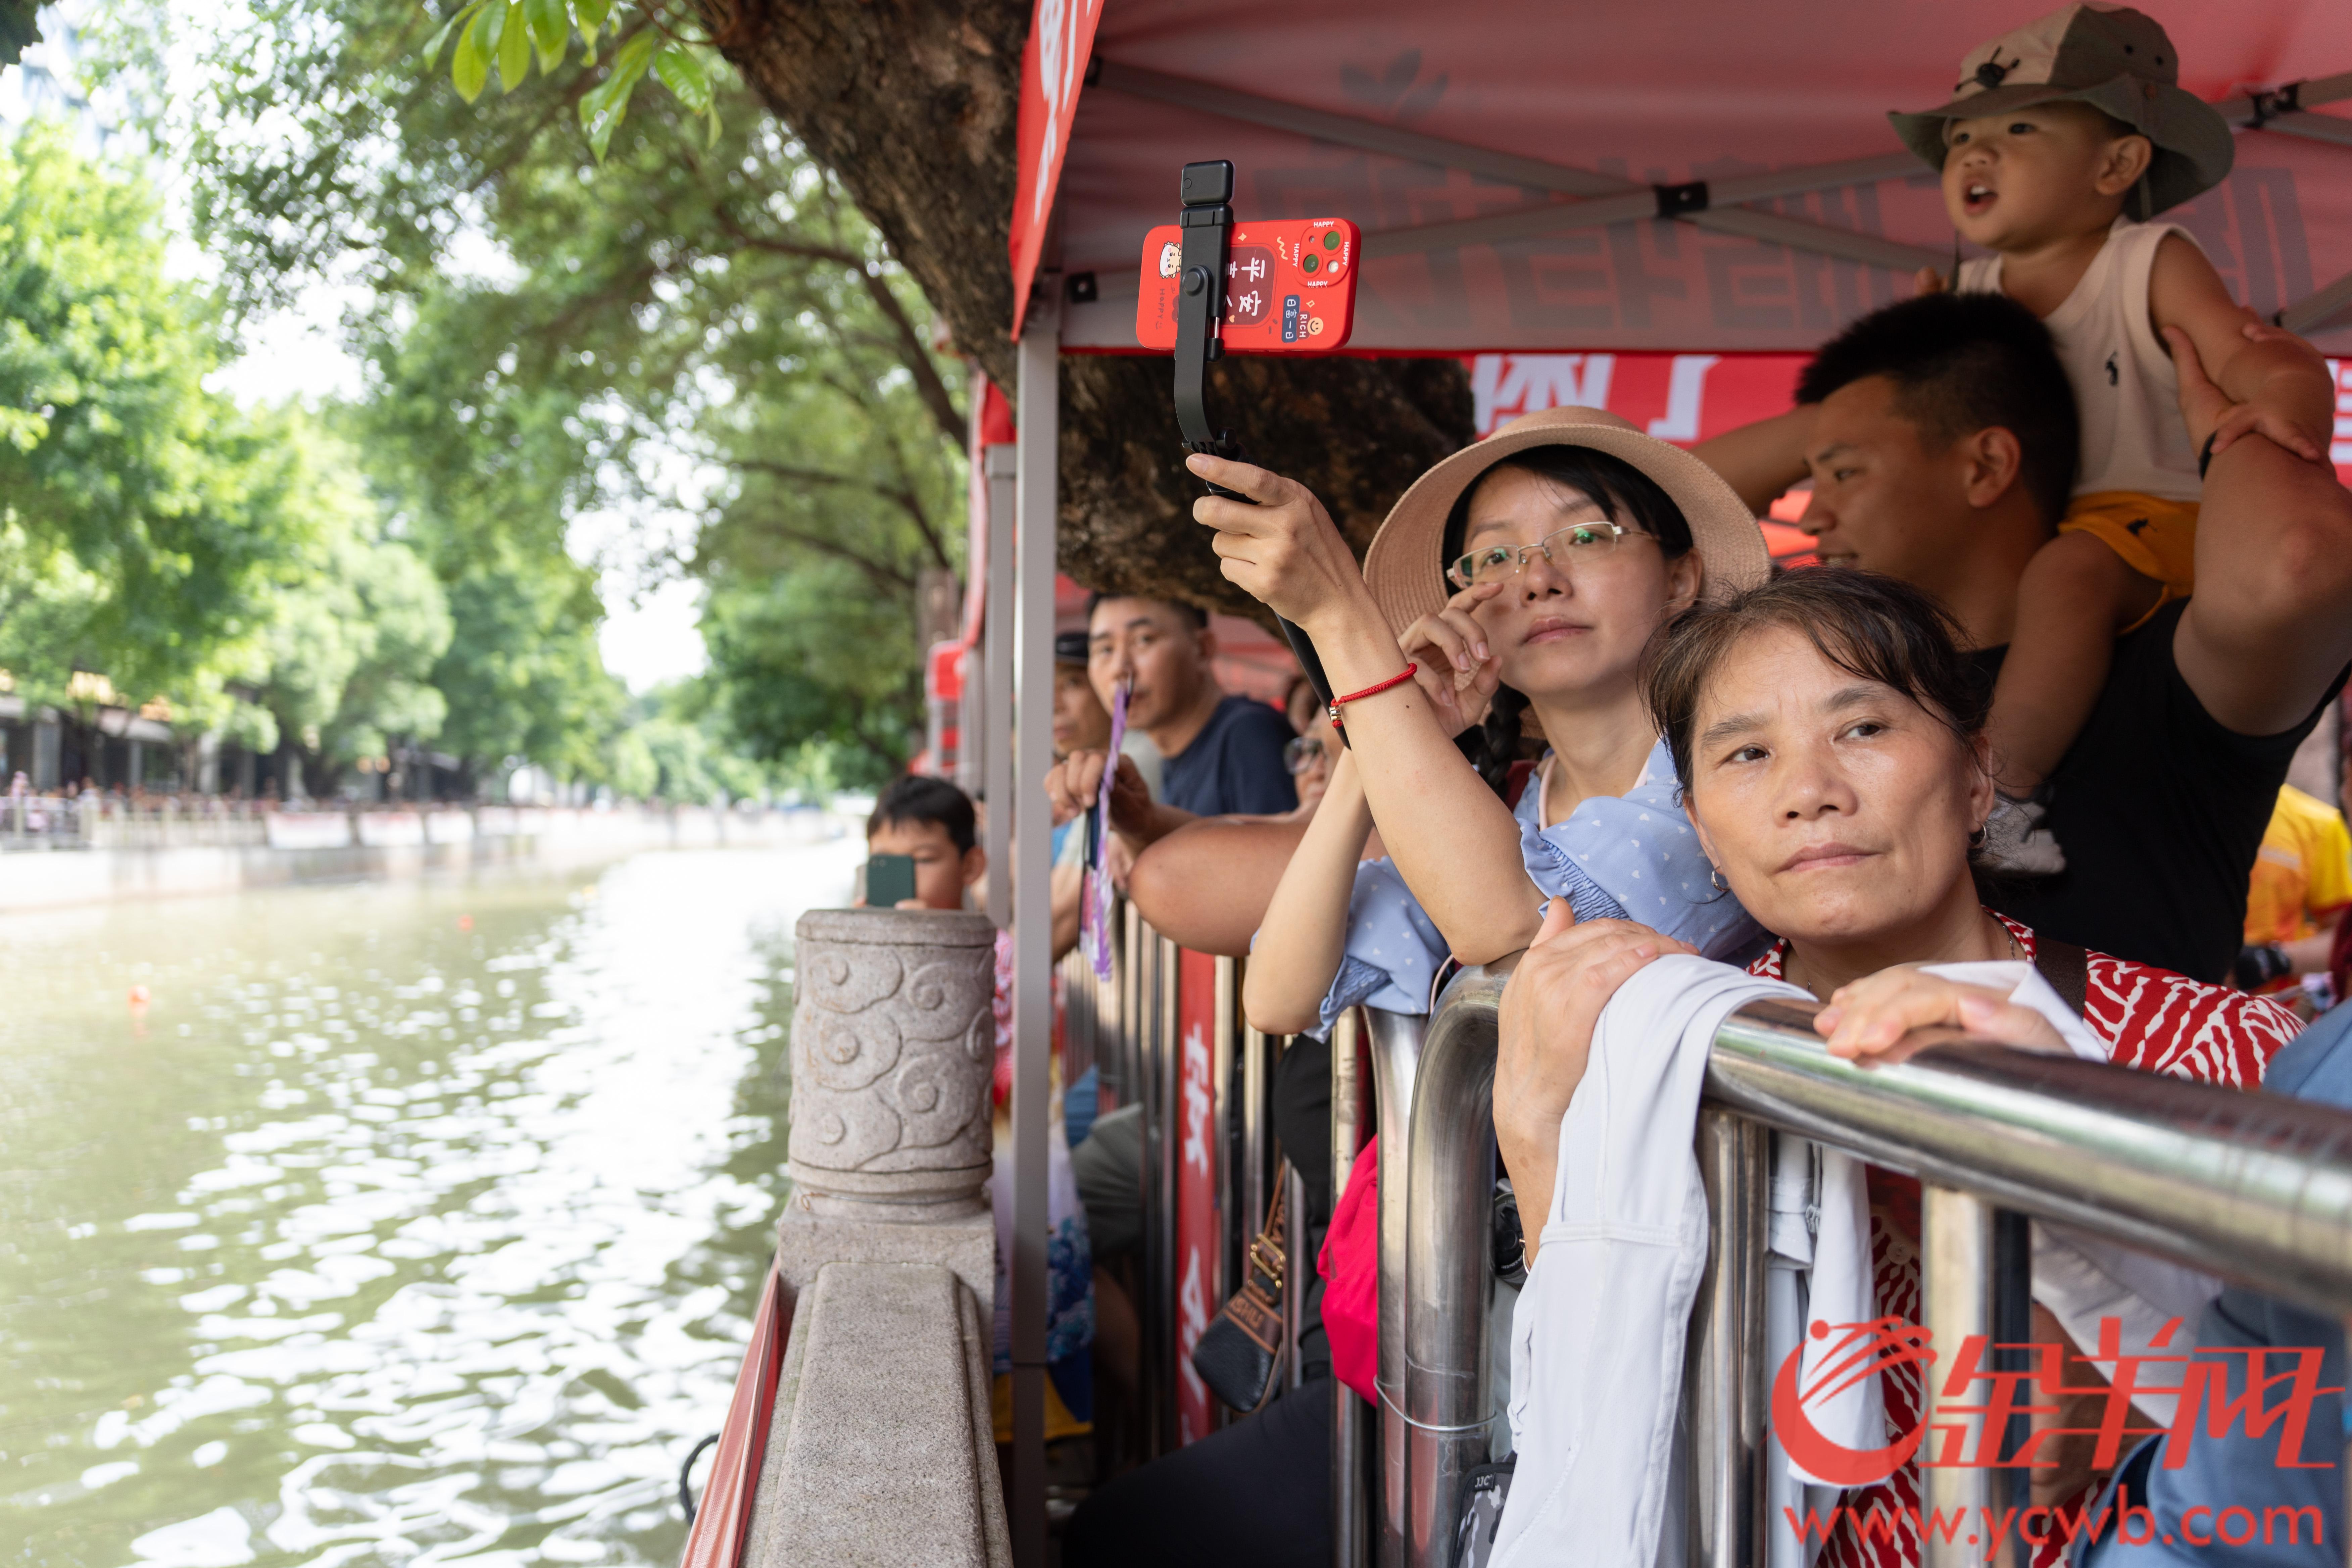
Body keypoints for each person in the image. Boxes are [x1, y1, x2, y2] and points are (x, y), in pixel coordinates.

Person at [1494, 570, 2302, 1568]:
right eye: (1746, 753)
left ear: (1974, 777)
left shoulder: (2207, 1053)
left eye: (1863, 729)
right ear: (1702, 827)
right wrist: (1535, 1136)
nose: (1810, 793)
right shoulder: (1669, 1063)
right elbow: (1601, 1419)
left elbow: (2323, 1416)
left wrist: (2135, 1413)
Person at [1695, 291, 2352, 984]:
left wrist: (2268, 401)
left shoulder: (2165, 683)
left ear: (1985, 467)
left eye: (1844, 471)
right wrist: (1879, 391)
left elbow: (2302, 563)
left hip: (2128, 1088)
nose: (1815, 510)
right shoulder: (1810, 687)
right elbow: (1662, 522)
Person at [1887, 4, 2335, 866]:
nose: (1974, 154)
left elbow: (2247, 356)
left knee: (2068, 575)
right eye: (1959, 138)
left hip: (2155, 516)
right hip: (2037, 529)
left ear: (2119, 162)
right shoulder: (1966, 288)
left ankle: (2004, 801)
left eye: (2018, 126)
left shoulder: (2148, 260)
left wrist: (2283, 403)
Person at [861, 777, 1096, 1441]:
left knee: (1014, 1397)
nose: (904, 875)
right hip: (944, 1200)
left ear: (970, 865)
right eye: (887, 860)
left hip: (1012, 1199)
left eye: (925, 858)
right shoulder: (868, 953)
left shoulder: (999, 958)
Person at [1045, 593, 1297, 854]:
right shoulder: (1171, 753)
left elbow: (1280, 865)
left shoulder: (1249, 733)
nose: (1121, 668)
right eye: (1105, 650)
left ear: (1202, 648)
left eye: (1144, 640)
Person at [2239, 783, 2352, 1004]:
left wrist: (2274, 960)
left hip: (2272, 1012)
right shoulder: (2165, 810)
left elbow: (2343, 936)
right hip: (2173, 1005)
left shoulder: (2318, 824)